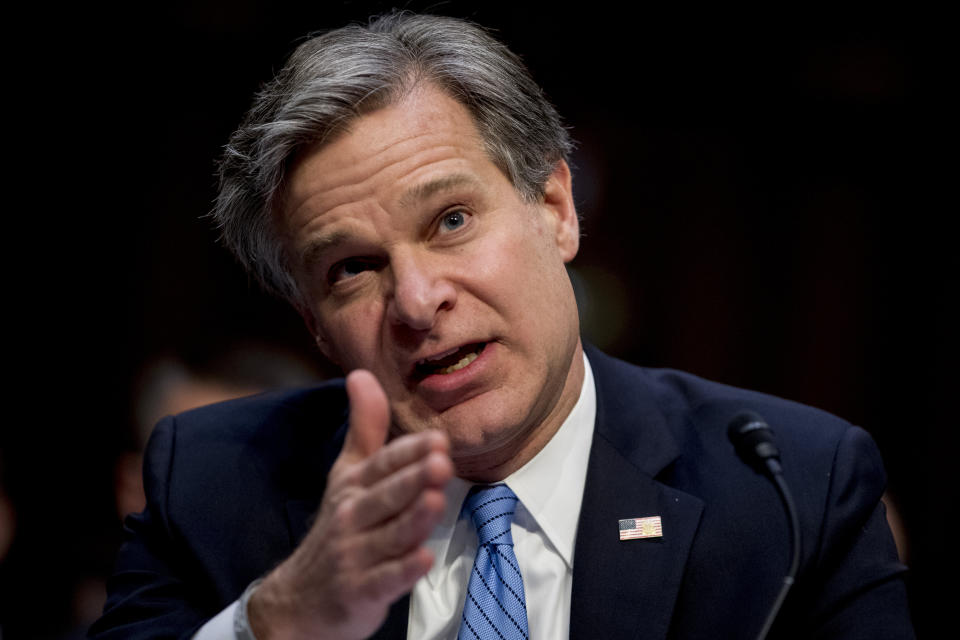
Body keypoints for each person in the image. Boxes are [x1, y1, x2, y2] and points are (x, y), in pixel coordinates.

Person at [90, 12, 914, 640]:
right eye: (352, 269)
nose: (416, 301)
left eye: (450, 220)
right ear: (314, 322)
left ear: (554, 209)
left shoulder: (790, 494)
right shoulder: (210, 485)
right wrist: (278, 621)